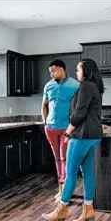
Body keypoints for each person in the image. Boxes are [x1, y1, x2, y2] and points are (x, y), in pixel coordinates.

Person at [42, 58, 104, 221]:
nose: (77, 73)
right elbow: (93, 113)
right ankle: (88, 209)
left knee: (70, 173)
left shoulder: (84, 86)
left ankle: (61, 209)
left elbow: (79, 113)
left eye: (78, 70)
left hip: (81, 136)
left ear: (86, 71)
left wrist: (68, 132)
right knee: (87, 173)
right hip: (93, 135)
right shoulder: (96, 87)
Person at [41, 59, 80, 203]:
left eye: (53, 70)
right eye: (50, 71)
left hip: (66, 128)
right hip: (50, 127)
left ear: (61, 69)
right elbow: (44, 105)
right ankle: (60, 189)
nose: (51, 74)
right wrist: (45, 122)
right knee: (57, 158)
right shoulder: (48, 86)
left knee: (65, 158)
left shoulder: (75, 85)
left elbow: (80, 108)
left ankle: (65, 191)